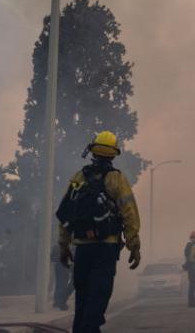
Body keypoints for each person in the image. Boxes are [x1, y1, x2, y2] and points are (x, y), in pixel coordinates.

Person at [56, 131, 141, 333]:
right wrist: (134, 245)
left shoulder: (78, 178)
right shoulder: (117, 179)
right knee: (98, 298)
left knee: (82, 299)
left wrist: (63, 245)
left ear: (93, 151)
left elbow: (66, 213)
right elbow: (129, 214)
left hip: (82, 249)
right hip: (106, 248)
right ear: (113, 154)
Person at [50, 241, 73, 310]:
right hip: (64, 266)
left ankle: (57, 302)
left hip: (58, 266)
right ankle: (60, 303)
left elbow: (52, 258)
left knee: (59, 284)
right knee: (62, 284)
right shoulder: (66, 247)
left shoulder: (57, 246)